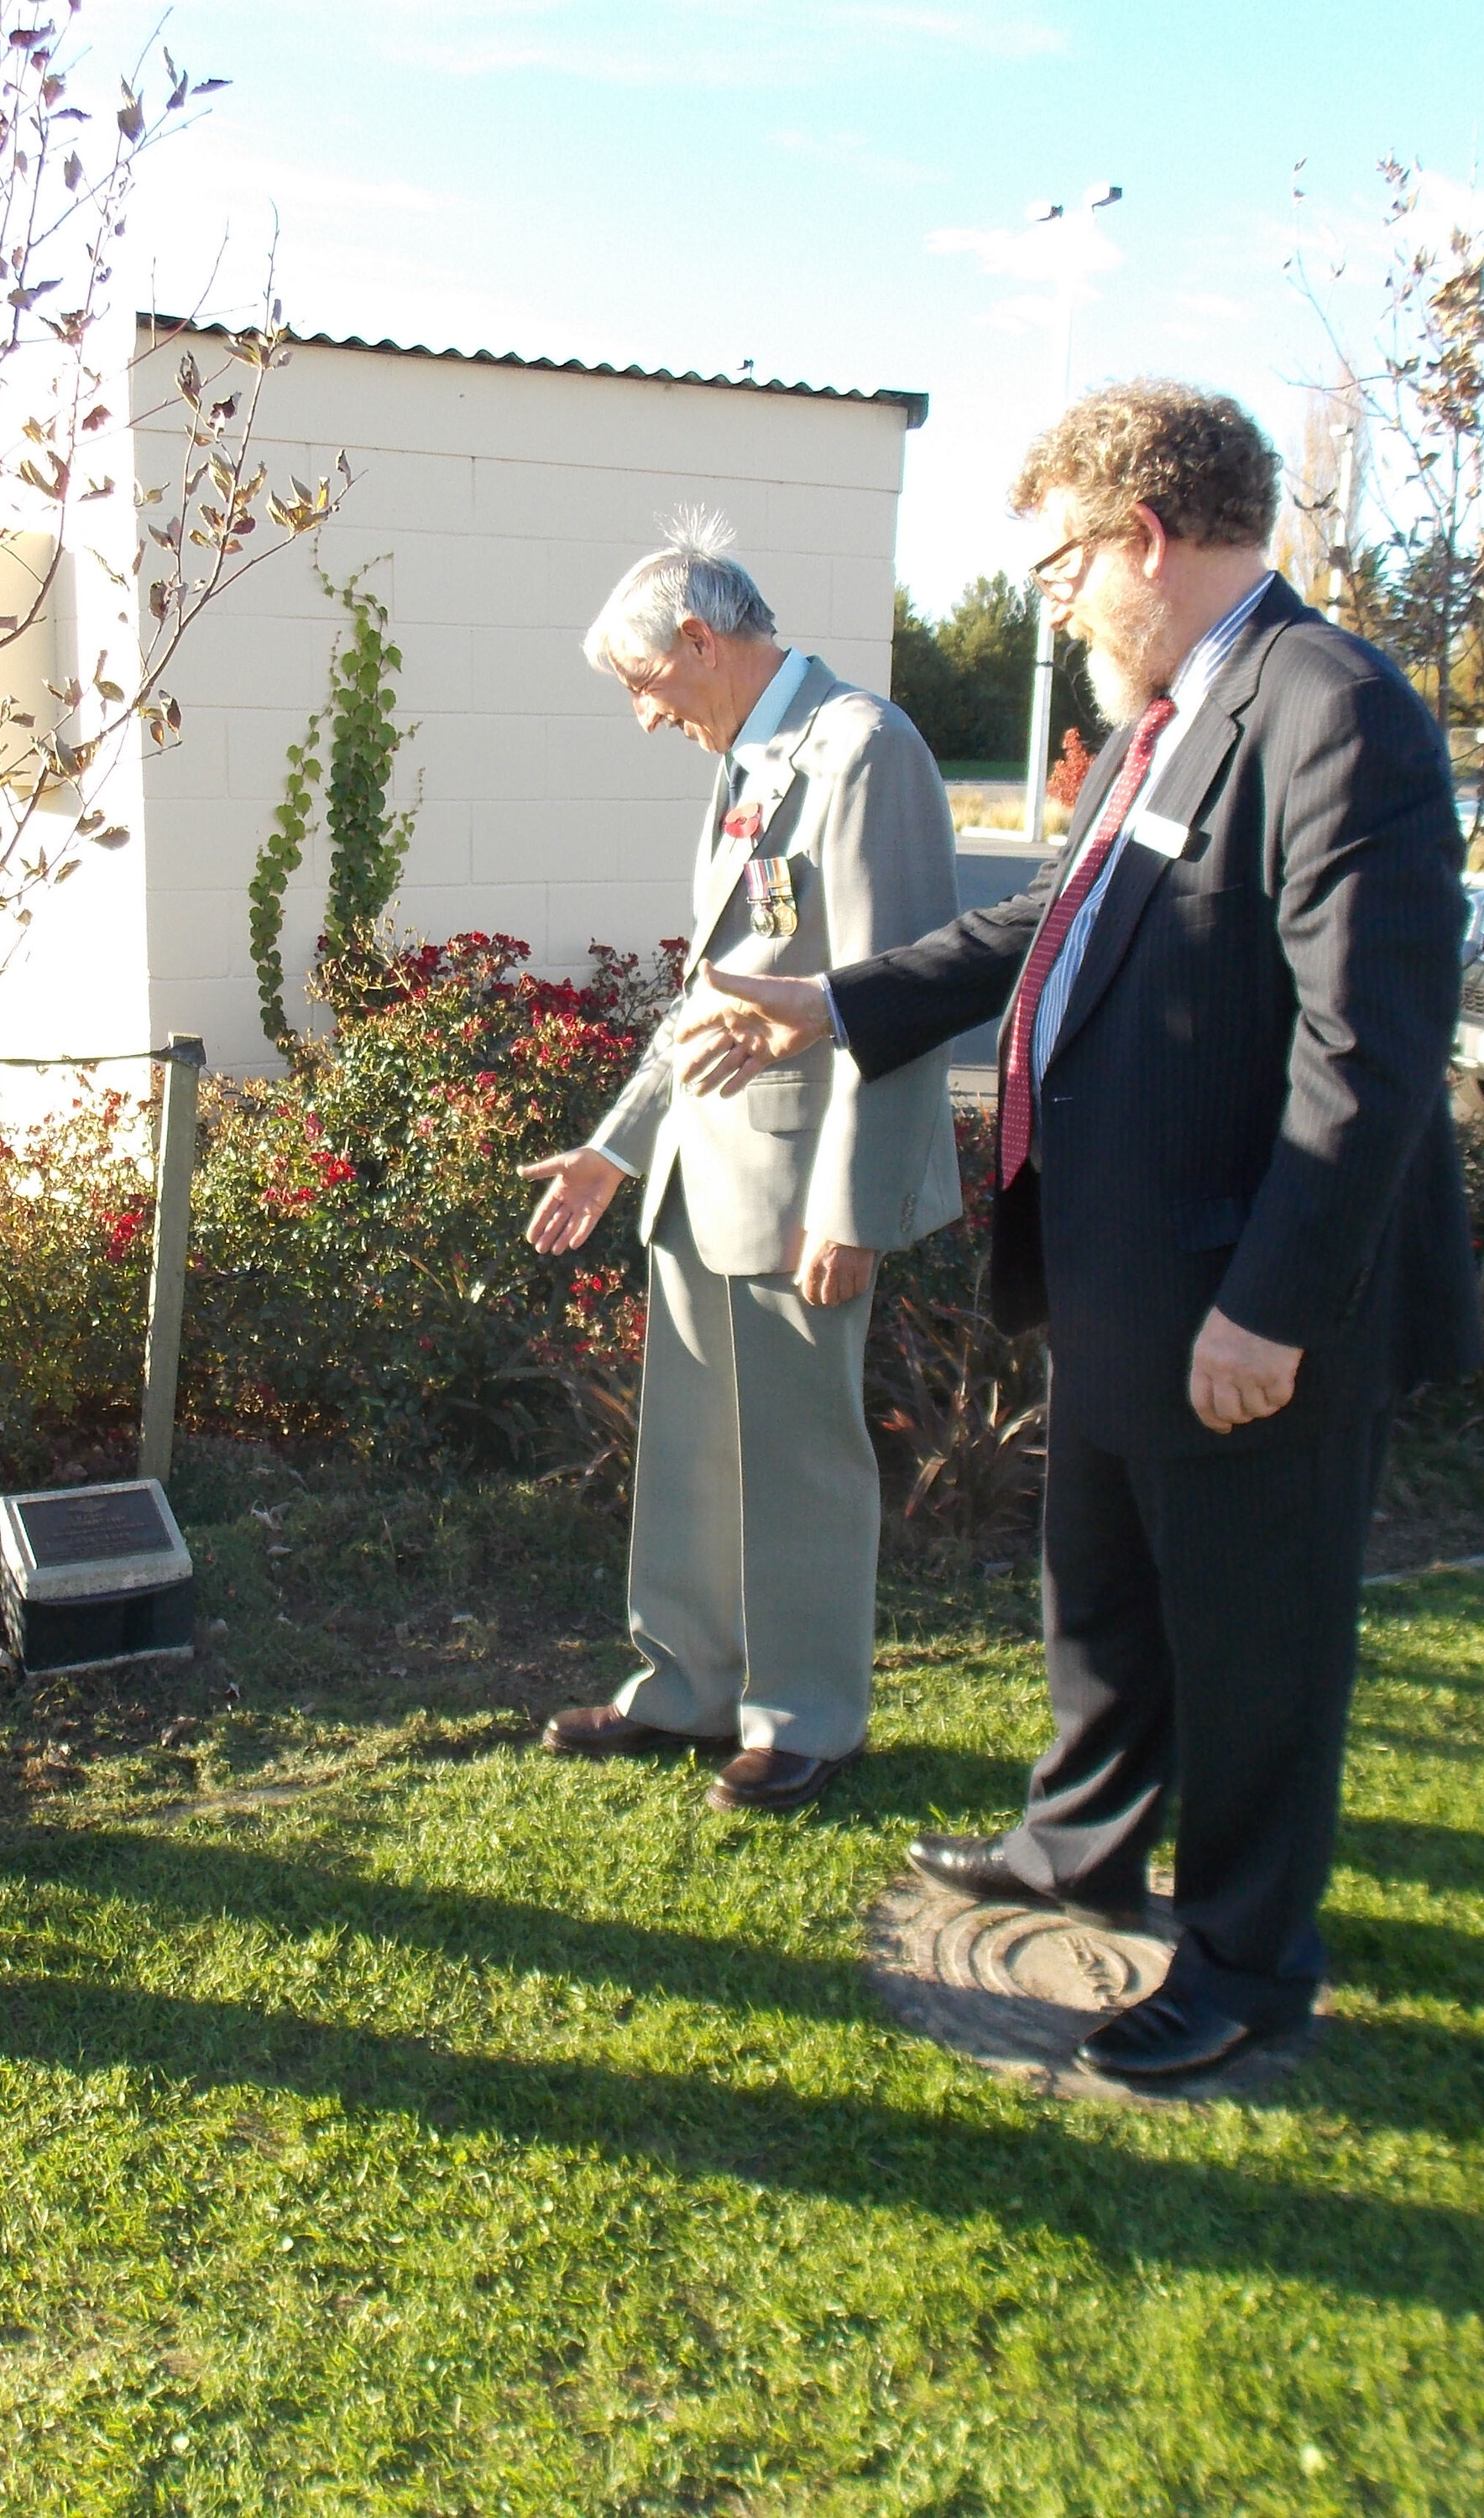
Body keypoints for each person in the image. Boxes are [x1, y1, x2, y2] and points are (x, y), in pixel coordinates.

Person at [679, 384, 1479, 2084]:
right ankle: (1074, 1851)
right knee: (1099, 1594)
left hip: (1243, 1298)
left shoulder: (1329, 710)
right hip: (1122, 1274)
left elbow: (1372, 1048)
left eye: (1057, 565)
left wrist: (1269, 1308)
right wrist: (824, 1004)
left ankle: (1249, 1957)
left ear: (1142, 539)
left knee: (1254, 1641)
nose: (1047, 599)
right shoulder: (1161, 716)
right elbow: (1053, 926)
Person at [517, 517, 962, 1815]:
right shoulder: (752, 759)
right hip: (700, 1180)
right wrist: (613, 1149)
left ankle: (806, 1714)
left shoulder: (862, 751)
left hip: (799, 1189)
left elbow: (902, 994)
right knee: (698, 1457)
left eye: (648, 689)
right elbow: (714, 992)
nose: (647, 721)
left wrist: (855, 1202)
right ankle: (689, 1689)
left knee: (799, 1460)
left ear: (703, 643)